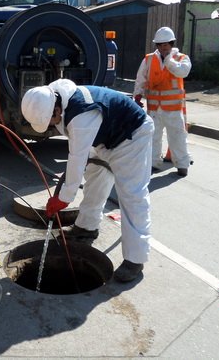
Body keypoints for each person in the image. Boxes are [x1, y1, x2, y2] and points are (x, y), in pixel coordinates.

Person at [21, 78, 154, 283]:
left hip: (132, 135)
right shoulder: (57, 100)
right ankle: (86, 227)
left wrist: (63, 198)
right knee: (95, 179)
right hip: (105, 137)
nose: (51, 126)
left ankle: (135, 259)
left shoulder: (81, 115)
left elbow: (77, 158)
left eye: (50, 121)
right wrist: (65, 193)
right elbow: (77, 154)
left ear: (56, 109)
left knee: (132, 194)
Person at [133, 27, 192, 176]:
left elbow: (183, 72)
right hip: (154, 108)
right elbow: (141, 78)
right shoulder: (149, 59)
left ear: (172, 43)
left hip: (173, 108)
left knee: (177, 137)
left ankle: (182, 164)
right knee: (153, 137)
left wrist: (169, 61)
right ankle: (153, 163)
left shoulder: (181, 58)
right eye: (160, 44)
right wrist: (137, 95)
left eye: (166, 44)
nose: (163, 47)